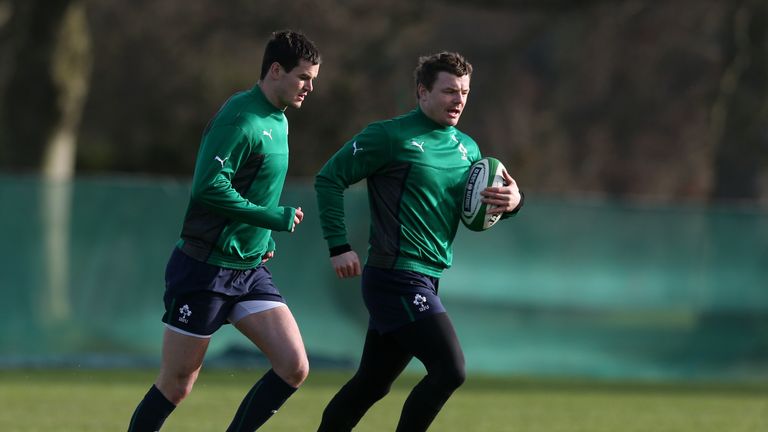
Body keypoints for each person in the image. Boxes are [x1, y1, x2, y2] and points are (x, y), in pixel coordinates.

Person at [314, 51, 523, 431]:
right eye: (448, 91)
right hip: (394, 276)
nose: (458, 100)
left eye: (464, 92)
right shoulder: (389, 136)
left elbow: (477, 212)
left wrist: (512, 202)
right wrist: (338, 245)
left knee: (372, 385)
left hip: (428, 278)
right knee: (450, 369)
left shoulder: (469, 150)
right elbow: (329, 178)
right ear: (422, 92)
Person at [127, 30, 321, 432]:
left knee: (293, 366)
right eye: (304, 77)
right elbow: (209, 186)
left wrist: (263, 238)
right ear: (275, 70)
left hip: (248, 269)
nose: (310, 87)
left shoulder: (279, 119)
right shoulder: (242, 117)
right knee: (177, 385)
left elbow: (257, 187)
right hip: (205, 268)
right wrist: (272, 220)